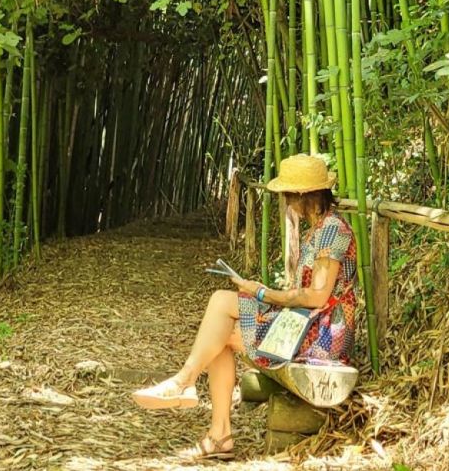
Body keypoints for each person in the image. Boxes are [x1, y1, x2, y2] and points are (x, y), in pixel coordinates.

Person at [130, 153, 359, 461]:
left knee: (221, 302)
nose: (287, 203)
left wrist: (263, 293)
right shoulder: (318, 229)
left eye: (289, 195)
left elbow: (317, 297)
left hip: (322, 340)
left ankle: (185, 384)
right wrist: (262, 293)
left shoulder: (332, 229)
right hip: (304, 327)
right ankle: (218, 434)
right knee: (219, 334)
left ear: (305, 195)